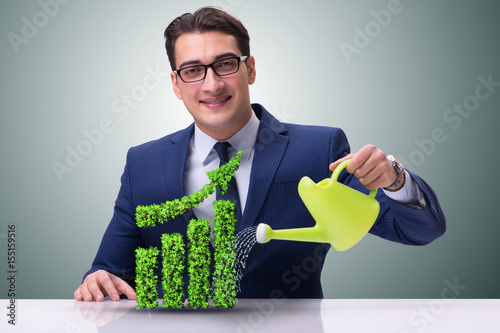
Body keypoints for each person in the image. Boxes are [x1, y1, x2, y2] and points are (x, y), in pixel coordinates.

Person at [74, 7, 445, 302]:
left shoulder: (318, 149)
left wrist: (395, 179)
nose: (212, 84)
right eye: (192, 70)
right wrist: (98, 280)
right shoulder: (144, 164)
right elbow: (110, 271)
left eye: (225, 64)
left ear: (249, 68)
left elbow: (419, 230)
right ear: (175, 84)